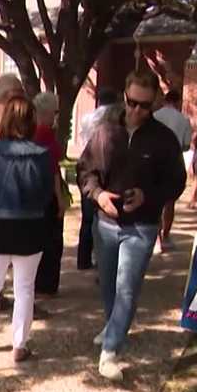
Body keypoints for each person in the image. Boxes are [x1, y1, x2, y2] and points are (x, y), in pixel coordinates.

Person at [77, 68, 186, 381]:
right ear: (124, 96)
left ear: (155, 104)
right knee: (109, 285)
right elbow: (85, 170)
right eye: (132, 102)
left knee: (128, 287)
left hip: (142, 227)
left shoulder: (163, 139)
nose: (137, 110)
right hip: (105, 224)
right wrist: (98, 195)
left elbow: (176, 182)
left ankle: (110, 349)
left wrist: (148, 196)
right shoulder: (105, 131)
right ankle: (113, 324)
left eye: (145, 105)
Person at [0, 97, 55, 363]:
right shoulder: (42, 155)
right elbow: (46, 194)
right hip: (30, 226)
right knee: (25, 289)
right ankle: (19, 344)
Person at [77, 88, 120, 271]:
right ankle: (101, 259)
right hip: (105, 169)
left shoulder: (88, 118)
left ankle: (83, 259)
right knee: (104, 220)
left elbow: (81, 140)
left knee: (87, 219)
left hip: (87, 166)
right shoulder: (115, 117)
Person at [30, 91, 68, 297]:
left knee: (40, 238)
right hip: (47, 193)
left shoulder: (32, 132)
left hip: (35, 193)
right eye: (54, 112)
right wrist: (60, 199)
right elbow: (53, 169)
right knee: (52, 239)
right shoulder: (45, 134)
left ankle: (39, 281)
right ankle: (46, 283)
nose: (56, 116)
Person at [152, 89, 192, 253]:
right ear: (177, 102)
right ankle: (166, 235)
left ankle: (156, 238)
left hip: (153, 160)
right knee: (169, 202)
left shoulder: (154, 116)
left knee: (154, 202)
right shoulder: (183, 119)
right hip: (174, 161)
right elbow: (187, 145)